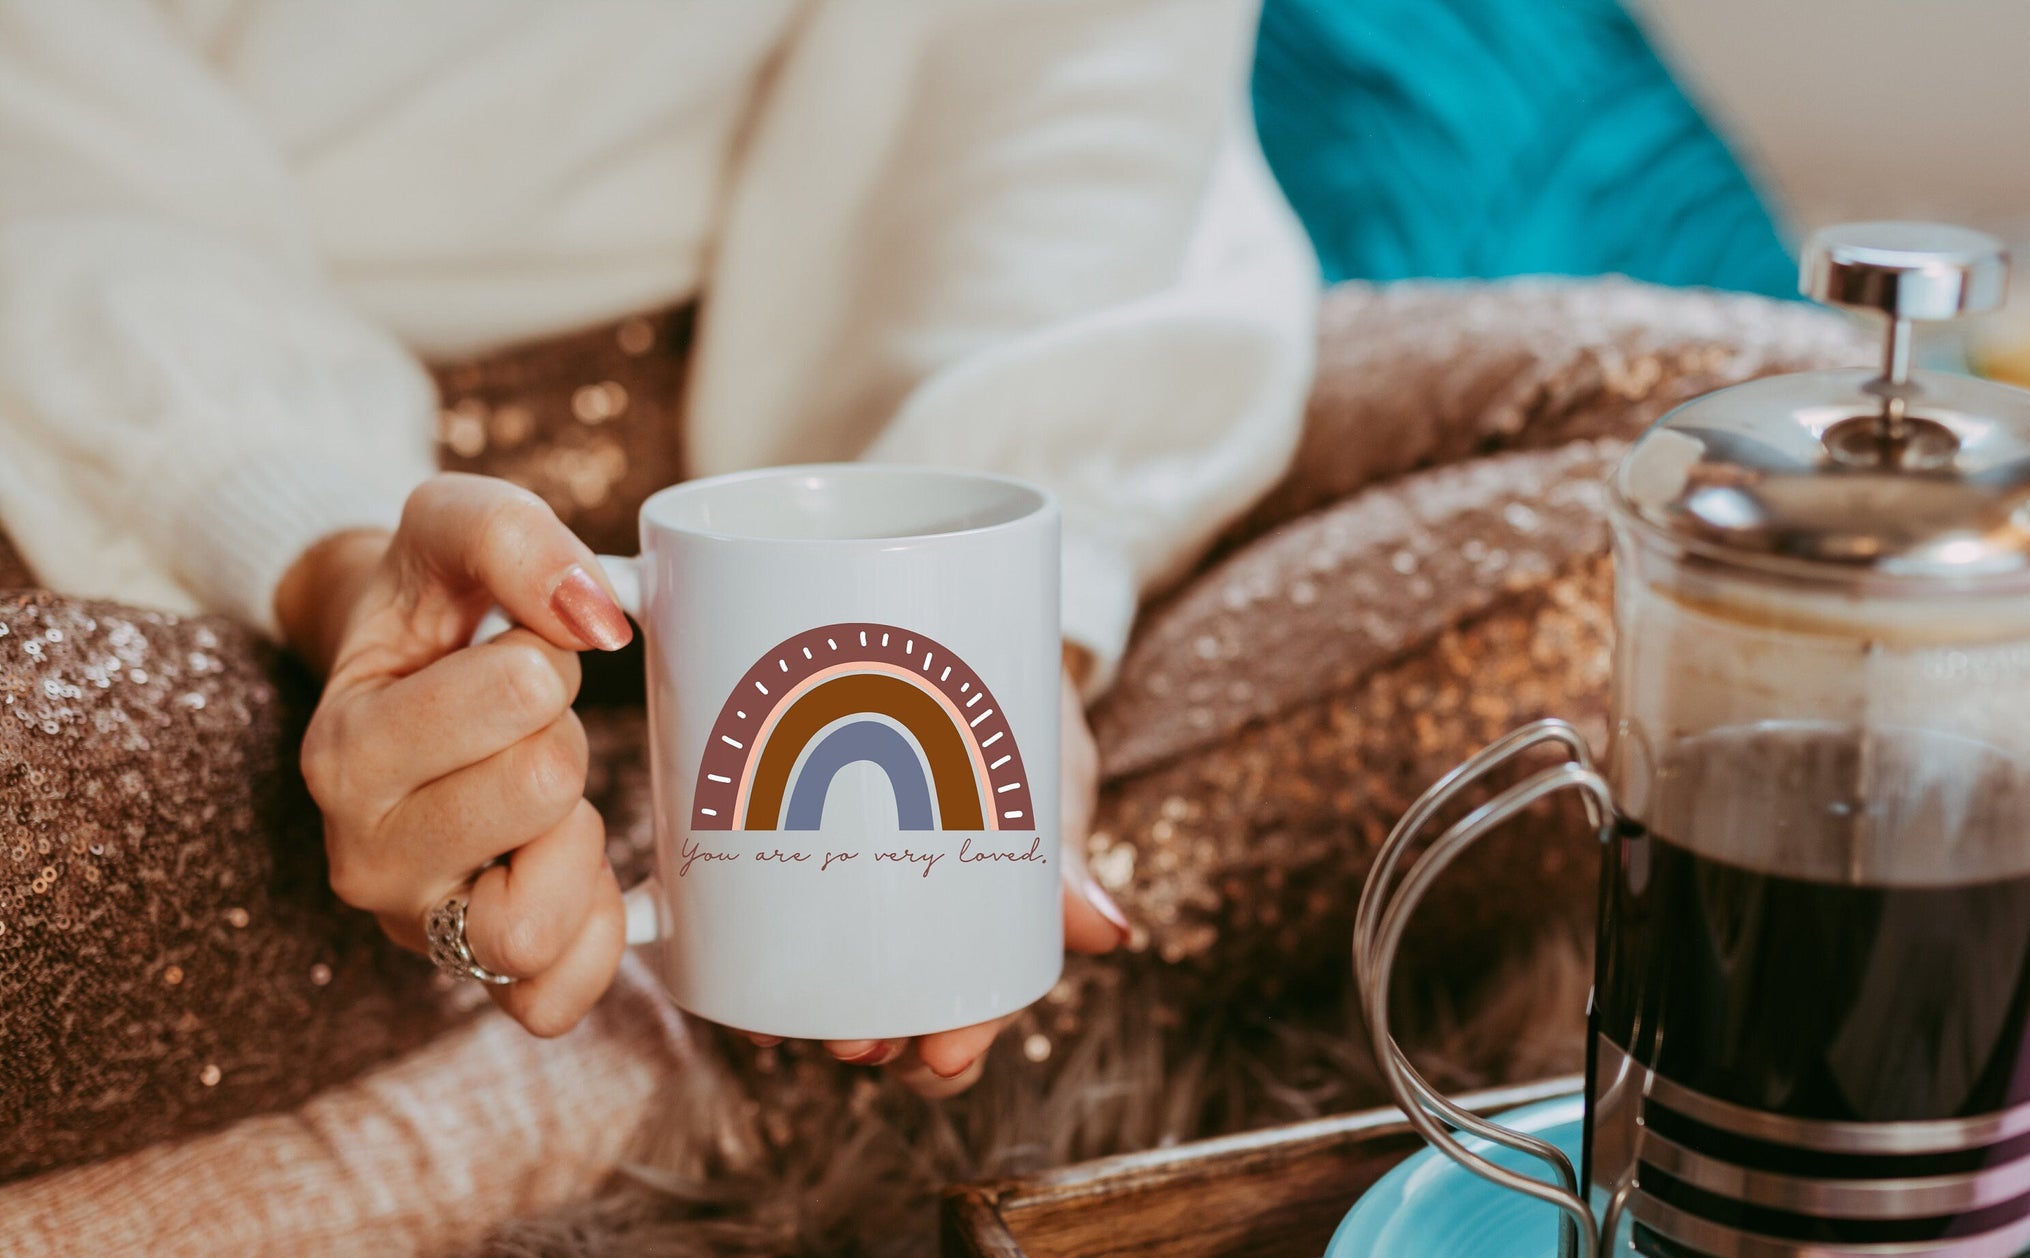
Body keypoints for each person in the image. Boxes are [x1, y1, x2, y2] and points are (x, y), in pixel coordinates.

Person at [0, 0, 1318, 1092]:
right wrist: (332, 559)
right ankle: (655, 1057)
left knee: (1531, 445)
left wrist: (1011, 606)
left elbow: (1067, 106)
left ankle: (616, 989)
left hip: (843, 372)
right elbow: (44, 144)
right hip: (170, 409)